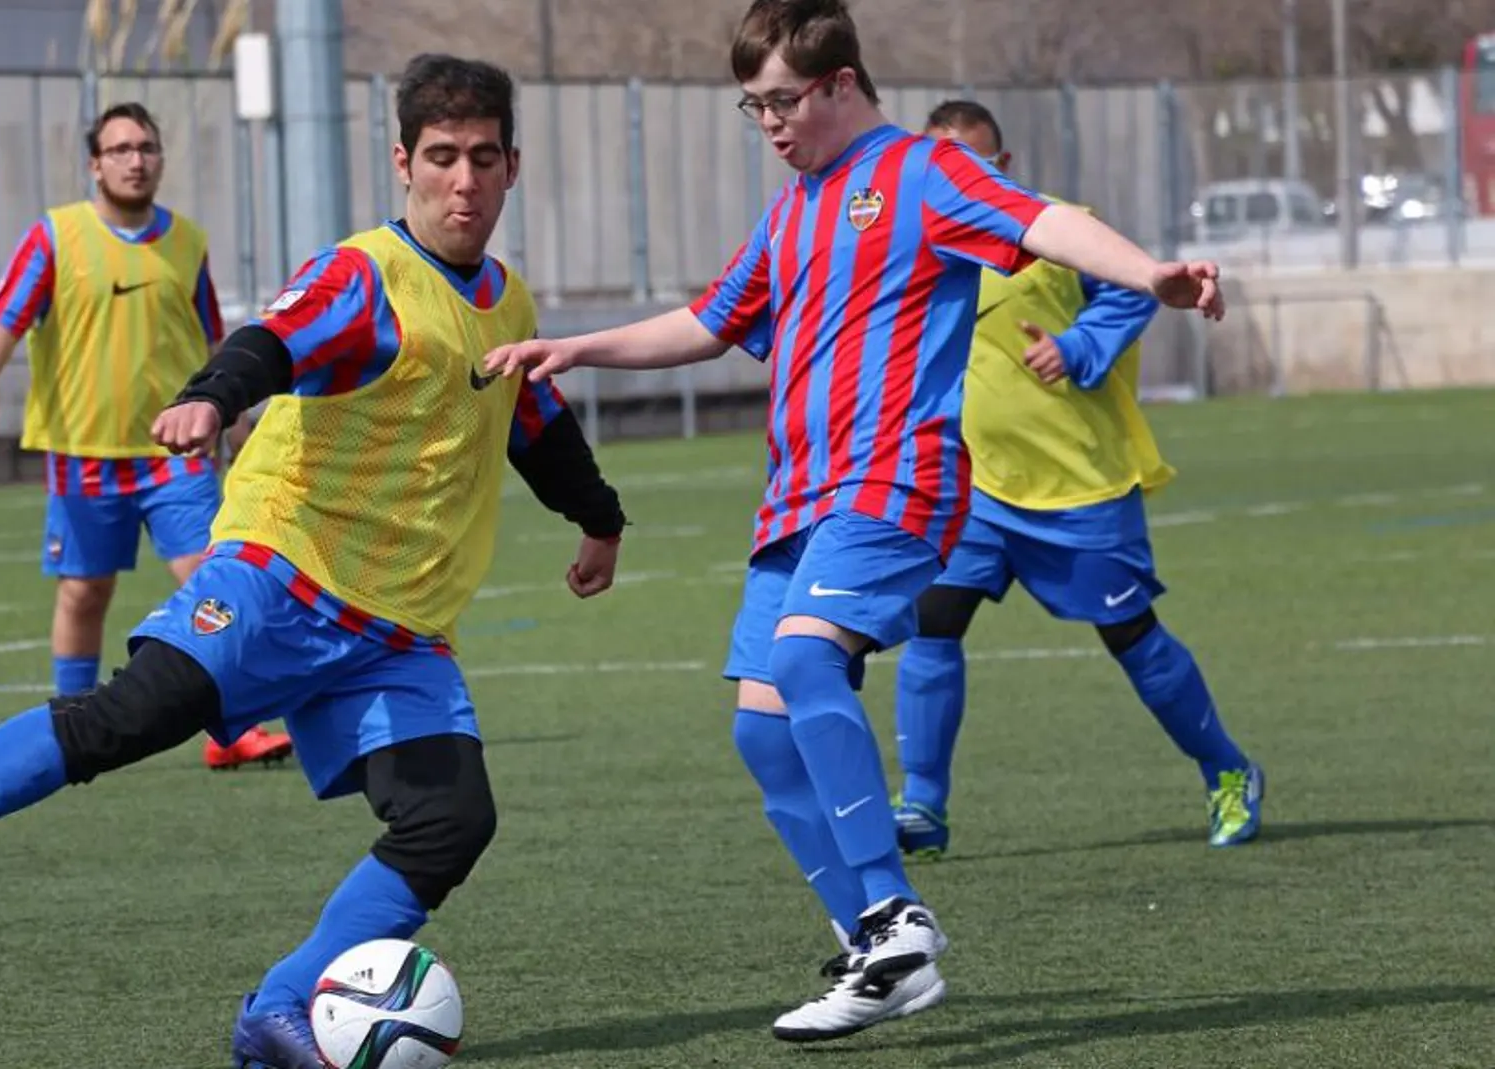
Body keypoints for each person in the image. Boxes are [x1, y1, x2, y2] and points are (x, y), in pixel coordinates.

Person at [0, 54, 628, 1069]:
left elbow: (531, 419)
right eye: (443, 158)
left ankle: (276, 1010)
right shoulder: (365, 273)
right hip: (281, 575)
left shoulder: (504, 299)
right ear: (402, 162)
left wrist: (599, 518)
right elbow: (270, 340)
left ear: (512, 168)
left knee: (450, 820)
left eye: (485, 160)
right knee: (127, 717)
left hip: (397, 633)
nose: (464, 182)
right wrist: (212, 395)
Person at [483, 0, 1225, 1044]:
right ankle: (875, 950)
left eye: (783, 100)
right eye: (754, 107)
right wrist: (576, 347)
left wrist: (1149, 272)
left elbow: (1040, 222)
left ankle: (891, 913)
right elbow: (707, 321)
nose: (771, 124)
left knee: (801, 663)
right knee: (759, 729)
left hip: (892, 482)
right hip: (796, 501)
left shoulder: (921, 171)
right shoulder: (790, 211)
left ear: (839, 83)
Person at [889, 100, 1262, 859]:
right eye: (944, 164)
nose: (961, 176)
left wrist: (1073, 346)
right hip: (971, 483)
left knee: (1132, 636)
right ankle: (923, 803)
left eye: (977, 163)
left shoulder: (1057, 226)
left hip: (1075, 483)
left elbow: (1133, 289)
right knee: (933, 621)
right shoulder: (919, 236)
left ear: (1006, 166)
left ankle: (1227, 768)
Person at [0, 101, 291, 772]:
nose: (135, 160)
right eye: (120, 149)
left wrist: (234, 411)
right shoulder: (56, 236)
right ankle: (71, 723)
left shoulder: (188, 242)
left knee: (213, 579)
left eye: (146, 147)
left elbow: (211, 338)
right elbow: (6, 314)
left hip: (177, 450)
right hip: (85, 453)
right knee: (86, 591)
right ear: (95, 164)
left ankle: (233, 728)